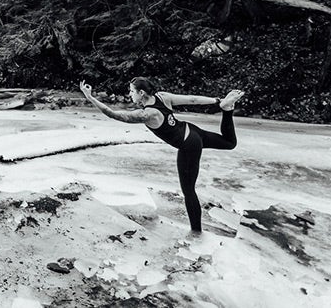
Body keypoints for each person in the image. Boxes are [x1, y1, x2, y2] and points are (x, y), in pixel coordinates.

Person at [79, 76, 244, 234]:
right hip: (193, 132)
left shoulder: (147, 114)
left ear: (141, 93)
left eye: (132, 91)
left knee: (189, 191)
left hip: (188, 145)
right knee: (229, 143)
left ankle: (196, 233)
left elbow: (113, 114)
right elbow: (192, 99)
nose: (130, 94)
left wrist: (91, 98)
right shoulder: (162, 97)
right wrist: (217, 101)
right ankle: (226, 109)